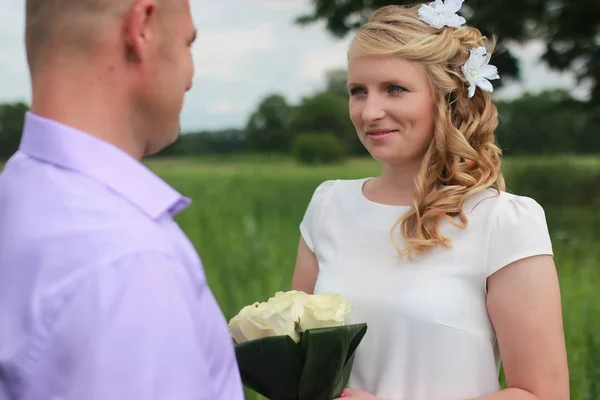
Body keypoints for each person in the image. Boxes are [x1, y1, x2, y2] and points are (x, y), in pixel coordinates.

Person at [291, 3, 569, 400]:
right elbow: (300, 361)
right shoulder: (328, 205)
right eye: (358, 91)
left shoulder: (503, 221)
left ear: (447, 98)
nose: (370, 112)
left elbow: (543, 394)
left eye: (394, 89)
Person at [0, 0, 244, 399]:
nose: (190, 75)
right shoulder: (128, 263)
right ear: (142, 28)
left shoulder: (19, 190)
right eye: (187, 44)